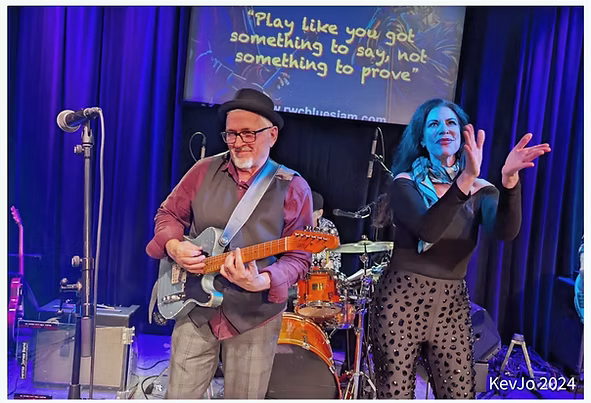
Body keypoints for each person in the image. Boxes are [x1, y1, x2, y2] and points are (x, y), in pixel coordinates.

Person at [370, 98, 551, 399]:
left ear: (462, 135)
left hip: (450, 307)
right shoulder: (405, 183)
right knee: (395, 395)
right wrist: (466, 178)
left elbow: (505, 231)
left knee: (460, 395)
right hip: (401, 302)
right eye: (434, 124)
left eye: (451, 123)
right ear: (422, 139)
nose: (444, 129)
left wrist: (509, 181)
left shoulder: (480, 189)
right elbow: (428, 229)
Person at [146, 88, 313, 399]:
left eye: (248, 133)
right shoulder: (202, 170)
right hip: (195, 308)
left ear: (272, 135)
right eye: (231, 134)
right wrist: (174, 247)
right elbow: (168, 214)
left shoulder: (294, 187)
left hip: (255, 316)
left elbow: (299, 258)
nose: (238, 142)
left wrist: (263, 280)